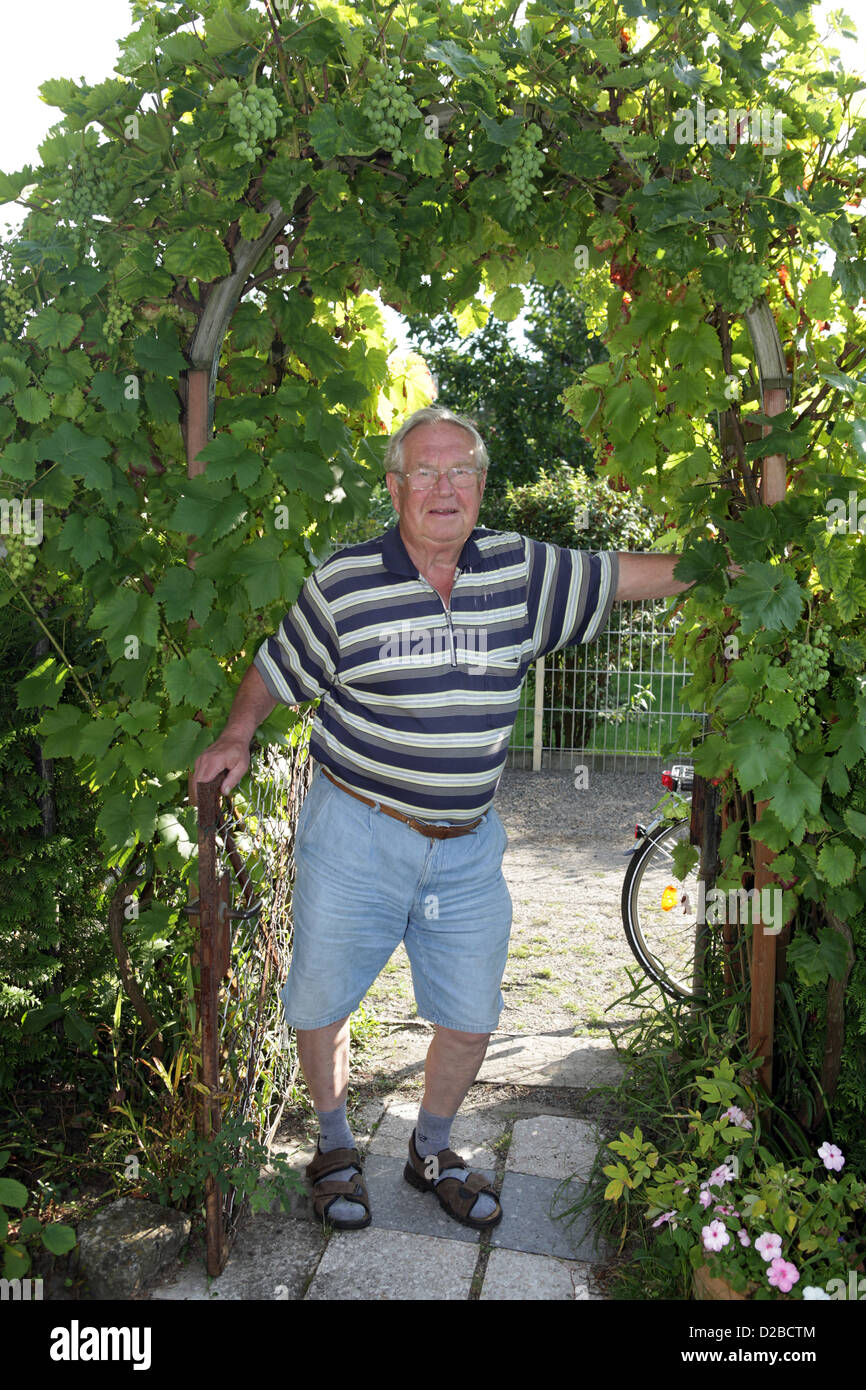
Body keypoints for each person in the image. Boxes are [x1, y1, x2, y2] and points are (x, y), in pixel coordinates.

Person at [191, 404, 696, 1233]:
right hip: (357, 827)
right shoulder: (347, 582)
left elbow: (629, 574)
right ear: (395, 487)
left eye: (459, 470)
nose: (442, 487)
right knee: (319, 1000)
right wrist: (237, 732)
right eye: (423, 471)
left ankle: (431, 1150)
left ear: (482, 486)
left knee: (470, 1014)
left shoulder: (522, 572)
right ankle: (334, 1145)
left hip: (465, 847)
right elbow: (276, 667)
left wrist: (734, 563)